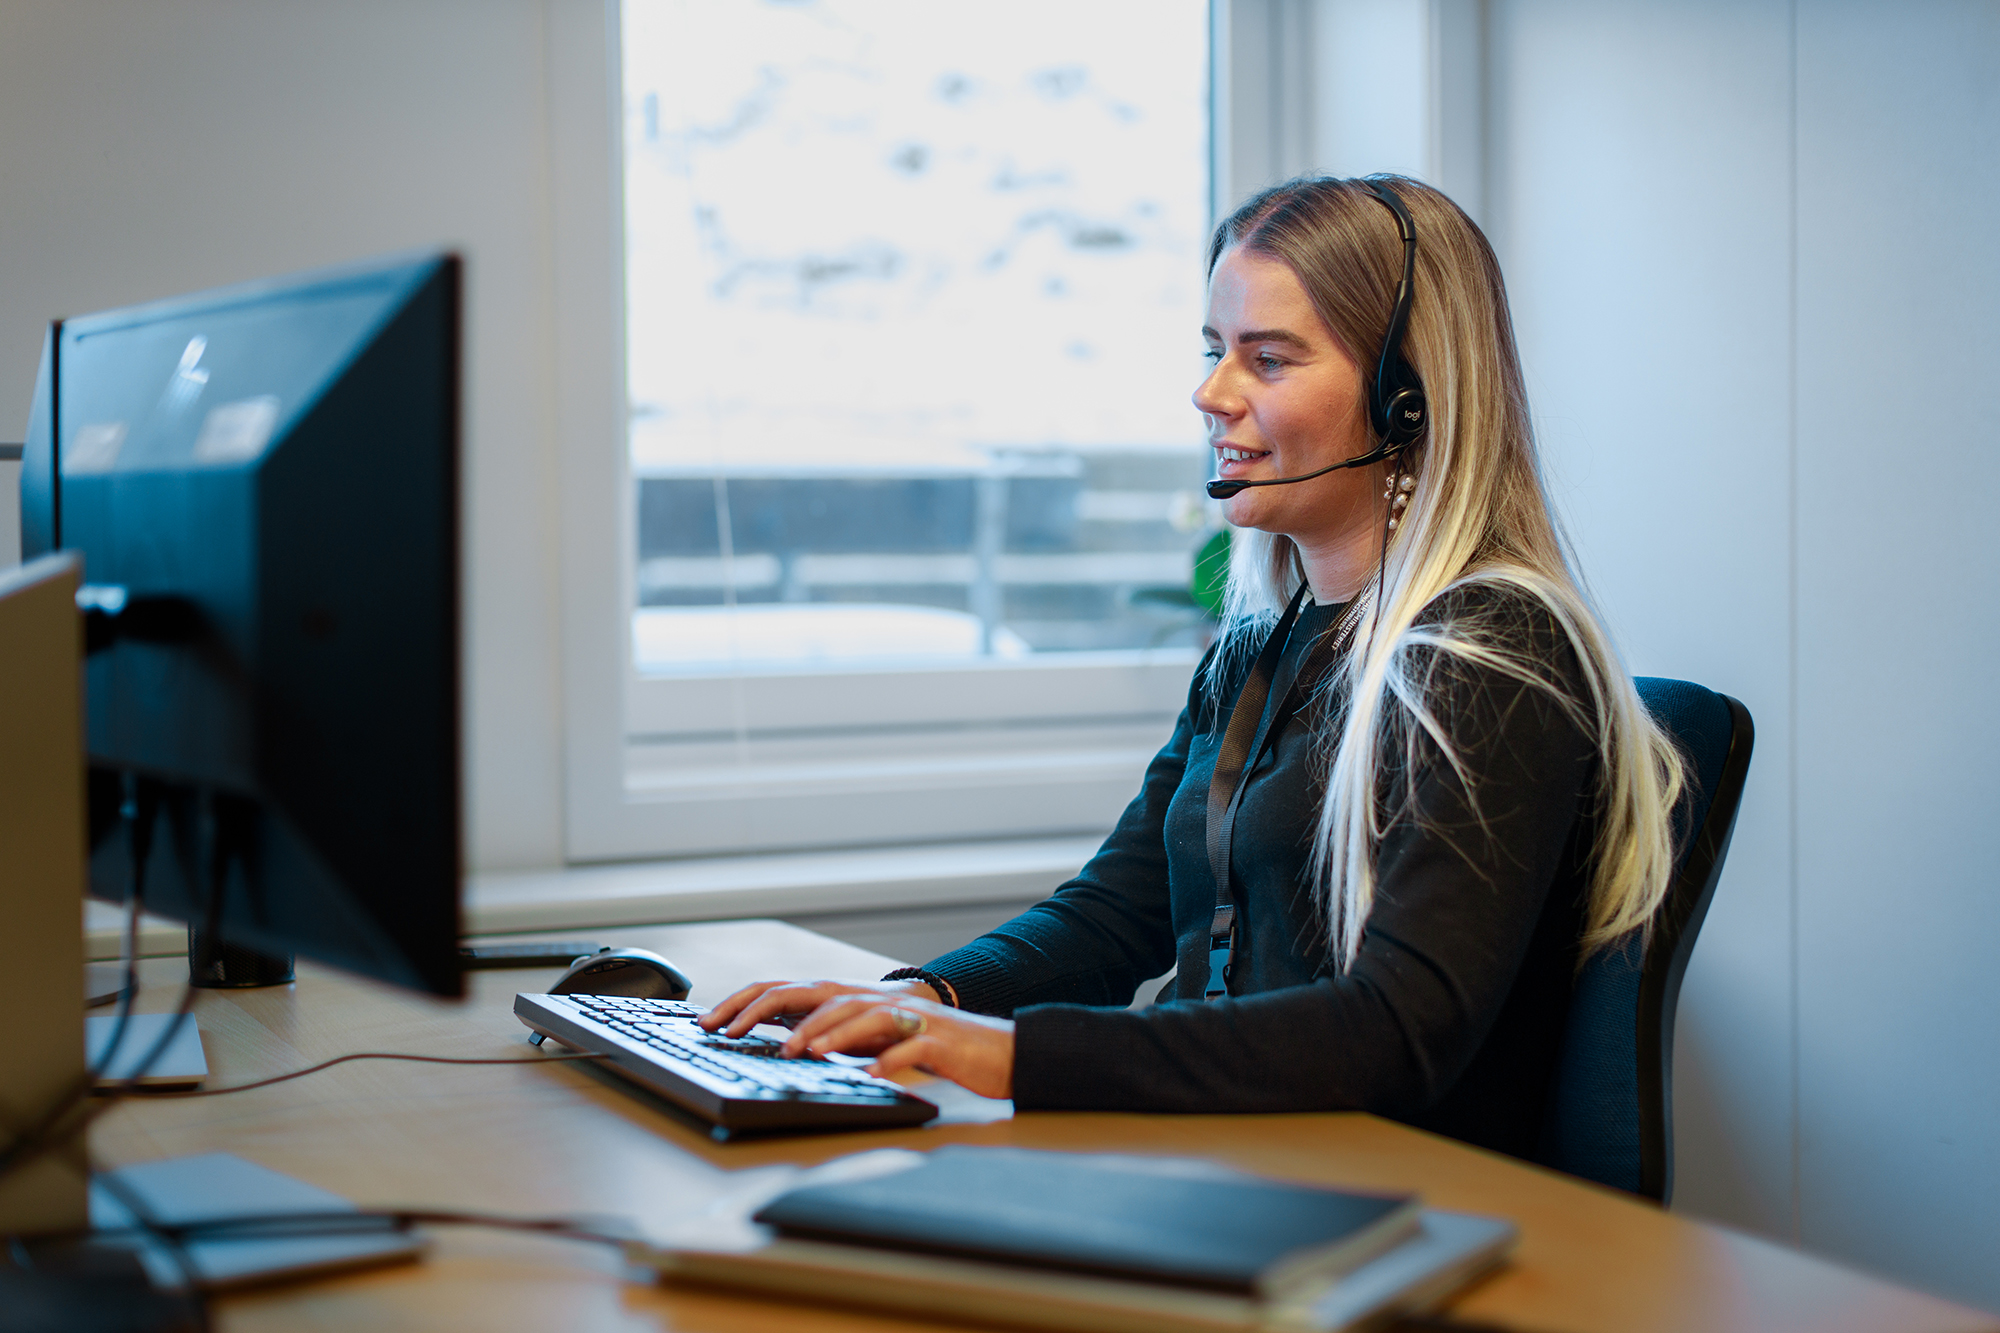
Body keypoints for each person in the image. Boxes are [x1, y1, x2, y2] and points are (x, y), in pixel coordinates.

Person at [700, 175, 1686, 1160]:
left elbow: (1395, 1029)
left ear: (1405, 398)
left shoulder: (1490, 653)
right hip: (1227, 1158)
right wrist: (915, 999)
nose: (1210, 394)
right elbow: (1115, 913)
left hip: (1380, 1201)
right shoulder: (1260, 643)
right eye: (1216, 352)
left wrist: (1002, 1056)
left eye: (1267, 358)